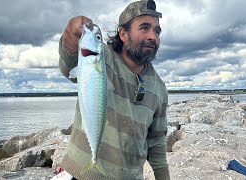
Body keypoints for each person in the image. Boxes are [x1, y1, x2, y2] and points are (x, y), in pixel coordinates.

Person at [57, 0, 170, 179]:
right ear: (123, 34)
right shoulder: (102, 57)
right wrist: (70, 36)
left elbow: (156, 140)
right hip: (83, 174)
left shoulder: (159, 88)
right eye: (144, 28)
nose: (152, 36)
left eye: (157, 31)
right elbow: (68, 64)